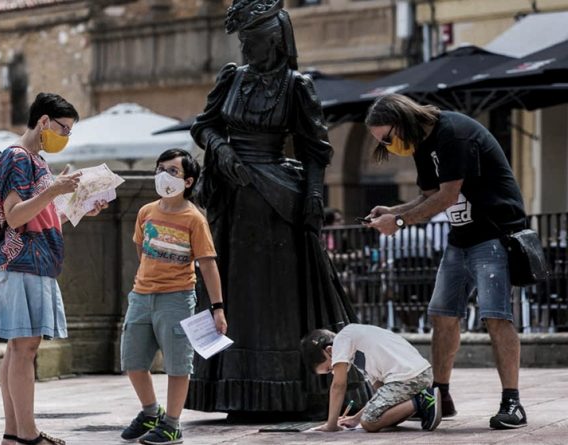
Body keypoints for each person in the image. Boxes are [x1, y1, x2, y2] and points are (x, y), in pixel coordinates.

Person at [186, 0, 369, 417]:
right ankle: (237, 393)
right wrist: (221, 150)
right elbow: (204, 125)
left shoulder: (296, 86)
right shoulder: (232, 77)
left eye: (252, 41)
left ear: (275, 40)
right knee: (235, 293)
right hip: (234, 201)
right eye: (243, 42)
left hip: (278, 204)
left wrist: (315, 197)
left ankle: (289, 389)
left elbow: (315, 149)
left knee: (277, 299)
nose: (246, 49)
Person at [363, 93, 528, 430]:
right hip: (461, 237)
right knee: (442, 315)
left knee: (496, 317)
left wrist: (398, 222)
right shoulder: (420, 143)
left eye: (388, 138)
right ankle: (441, 396)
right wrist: (393, 210)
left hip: (493, 234)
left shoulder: (453, 133)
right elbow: (429, 196)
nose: (389, 147)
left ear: (402, 120)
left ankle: (512, 403)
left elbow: (448, 196)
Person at [0, 92, 107, 445]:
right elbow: (14, 216)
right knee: (25, 349)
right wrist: (53, 191)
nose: (65, 136)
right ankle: (27, 434)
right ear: (43, 122)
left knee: (19, 348)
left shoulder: (36, 160)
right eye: (63, 128)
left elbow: (37, 218)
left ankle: (14, 434)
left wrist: (78, 207)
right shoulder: (17, 157)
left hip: (33, 262)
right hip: (24, 264)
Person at [119, 148, 227, 445]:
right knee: (132, 360)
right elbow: (141, 250)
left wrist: (218, 307)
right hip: (141, 296)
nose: (163, 175)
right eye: (160, 169)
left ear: (188, 181)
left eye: (172, 171)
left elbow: (208, 263)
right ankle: (150, 412)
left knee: (178, 364)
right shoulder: (146, 212)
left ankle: (172, 424)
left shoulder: (195, 219)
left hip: (177, 298)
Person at [301, 325, 442, 433]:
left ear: (330, 350)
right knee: (384, 417)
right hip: (420, 375)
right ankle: (422, 403)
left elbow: (338, 386)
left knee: (369, 422)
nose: (334, 372)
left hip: (408, 378)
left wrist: (331, 425)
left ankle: (424, 400)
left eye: (329, 368)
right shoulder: (359, 349)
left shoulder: (342, 339)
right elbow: (381, 394)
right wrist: (355, 419)